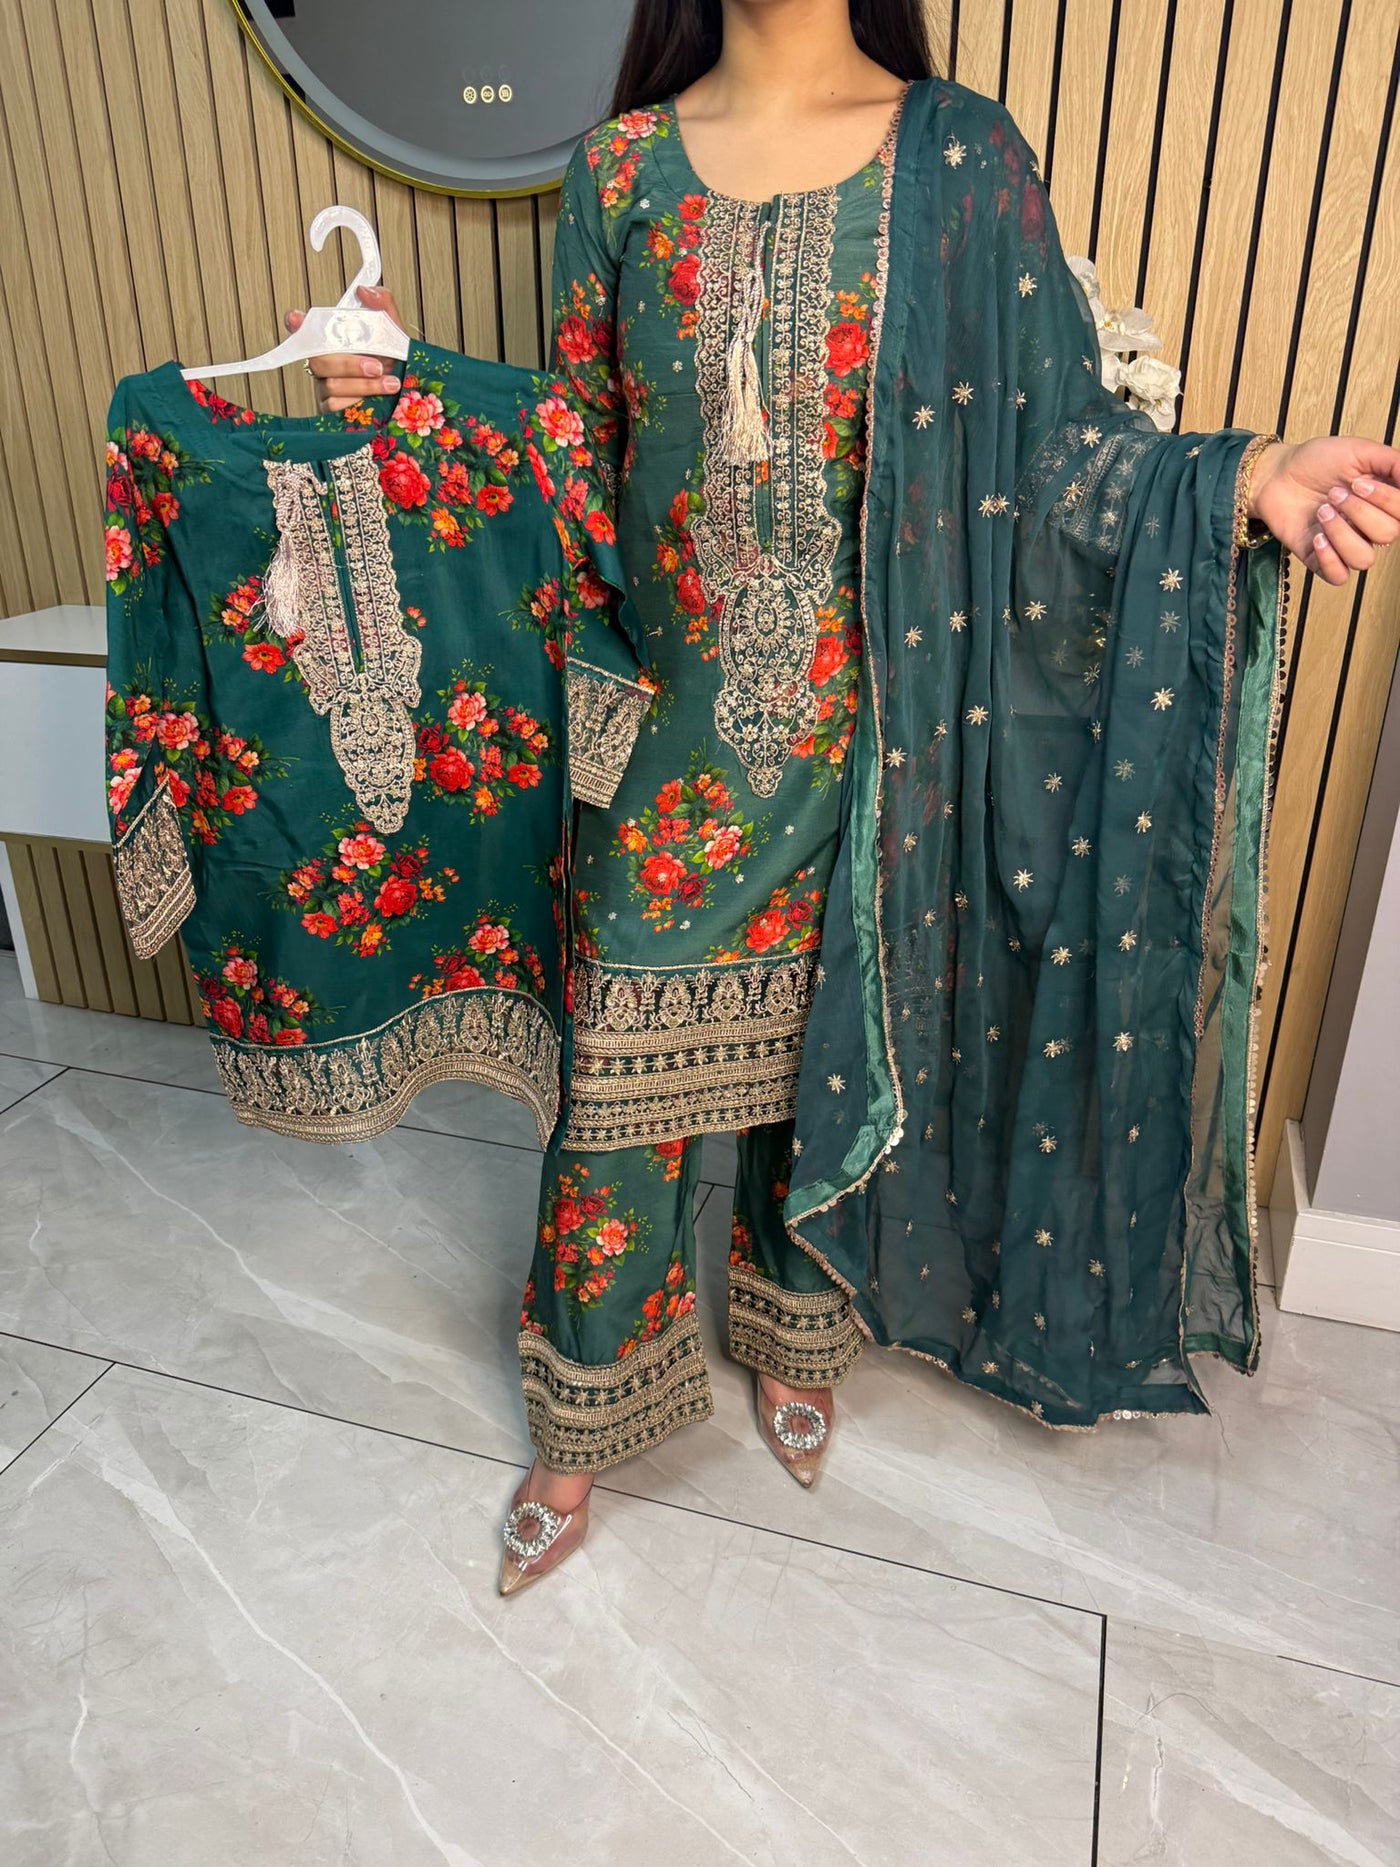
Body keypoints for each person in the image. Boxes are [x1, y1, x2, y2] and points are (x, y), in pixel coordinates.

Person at [288, 0, 1399, 1596]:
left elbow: (1058, 453)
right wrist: (413, 408)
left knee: (829, 1055)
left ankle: (795, 1334)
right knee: (619, 1081)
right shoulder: (619, 170)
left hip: (883, 744)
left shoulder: (959, 156)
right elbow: (572, 457)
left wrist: (1242, 475)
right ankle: (583, 1415)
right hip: (669, 739)